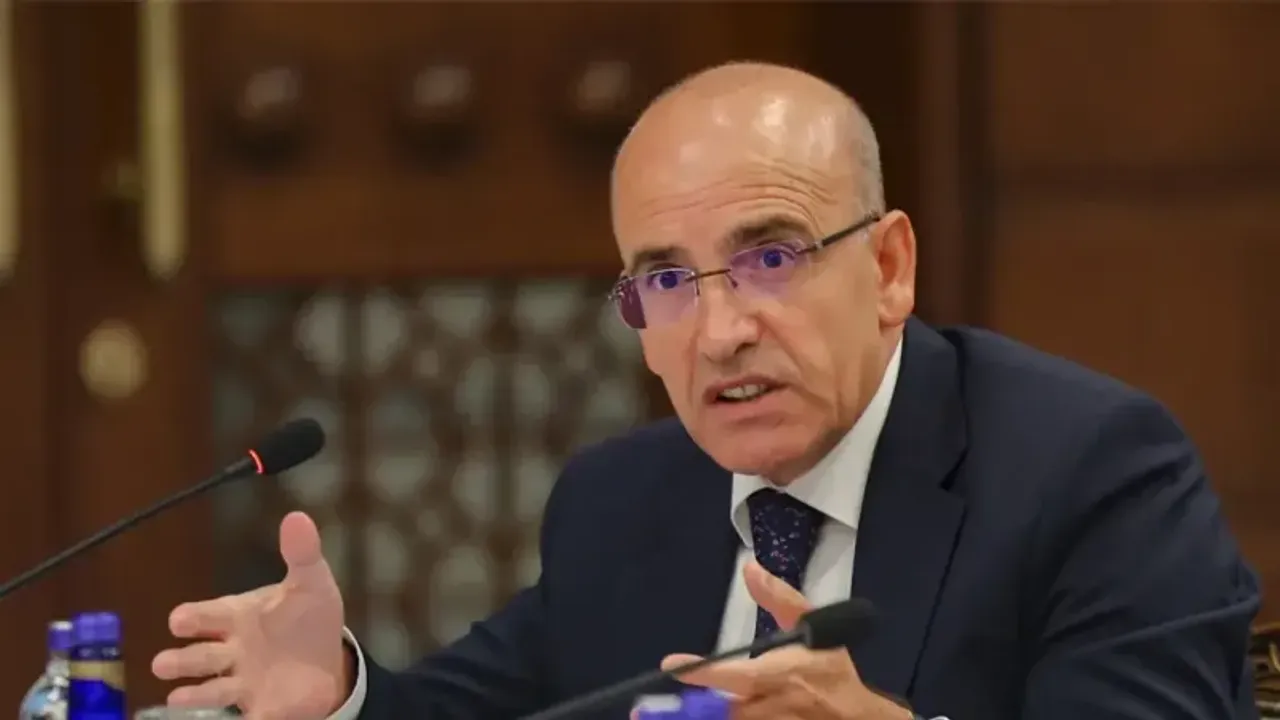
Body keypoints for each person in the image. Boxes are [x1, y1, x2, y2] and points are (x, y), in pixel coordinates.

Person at [151, 61, 1262, 720]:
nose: (722, 332)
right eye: (667, 282)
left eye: (771, 257)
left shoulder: (1089, 475)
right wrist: (338, 692)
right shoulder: (621, 501)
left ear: (887, 269)